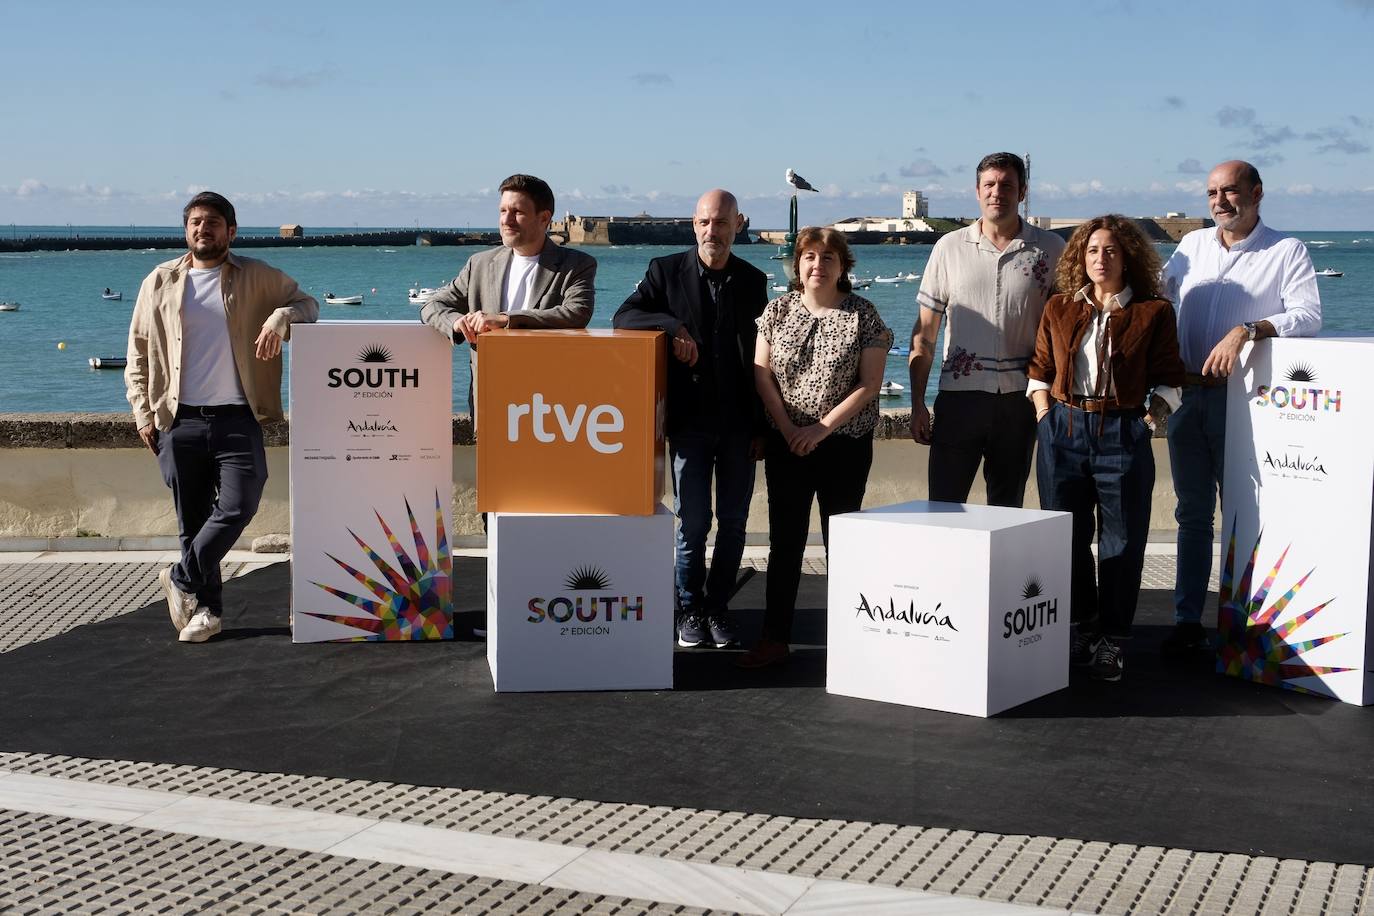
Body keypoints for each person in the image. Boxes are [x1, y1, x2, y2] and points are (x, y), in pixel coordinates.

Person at [125, 191, 318, 643]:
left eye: (212, 222)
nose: (202, 229)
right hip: (178, 419)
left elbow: (309, 305)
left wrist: (280, 318)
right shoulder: (160, 281)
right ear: (185, 229)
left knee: (240, 503)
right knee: (192, 521)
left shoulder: (258, 276)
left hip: (238, 418)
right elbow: (136, 352)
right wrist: (142, 415)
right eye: (194, 222)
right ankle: (207, 613)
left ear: (231, 231)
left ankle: (180, 577)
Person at [1160, 160, 1321, 658]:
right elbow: (1158, 301)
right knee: (1191, 516)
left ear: (1256, 193)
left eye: (1230, 191)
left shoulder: (1286, 250)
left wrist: (1248, 329)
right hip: (1186, 399)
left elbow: (1308, 314)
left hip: (1243, 405)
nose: (1219, 201)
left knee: (1242, 513)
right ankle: (1188, 621)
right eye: (1212, 193)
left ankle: (1245, 622)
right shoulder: (1191, 247)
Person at [1027, 215, 1185, 681]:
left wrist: (1147, 423)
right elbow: (1038, 367)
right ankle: (1082, 625)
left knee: (1121, 542)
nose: (1101, 258)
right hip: (1063, 429)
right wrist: (1044, 415)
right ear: (1081, 256)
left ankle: (1113, 639)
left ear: (1128, 257)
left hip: (1122, 432)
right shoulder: (1059, 307)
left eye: (1111, 250)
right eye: (1093, 250)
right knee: (1065, 538)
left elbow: (1172, 380)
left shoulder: (1153, 311)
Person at [613, 190, 768, 649]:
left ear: (738, 224)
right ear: (693, 225)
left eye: (721, 223)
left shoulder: (754, 280)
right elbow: (624, 316)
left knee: (735, 523)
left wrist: (762, 427)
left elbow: (762, 360)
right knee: (694, 523)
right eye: (704, 223)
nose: (711, 231)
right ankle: (689, 608)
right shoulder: (665, 270)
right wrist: (673, 327)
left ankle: (718, 607)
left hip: (741, 424)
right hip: (690, 424)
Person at [743, 227, 891, 668]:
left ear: (843, 265)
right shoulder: (777, 311)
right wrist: (789, 429)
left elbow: (870, 384)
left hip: (843, 445)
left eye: (828, 257)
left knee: (841, 542)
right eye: (809, 256)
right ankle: (774, 638)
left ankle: (852, 640)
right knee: (784, 543)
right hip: (787, 442)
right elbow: (761, 374)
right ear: (797, 264)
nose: (817, 265)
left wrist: (820, 430)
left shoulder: (863, 315)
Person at [908, 152, 1066, 507]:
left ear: (1022, 191)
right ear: (977, 191)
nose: (998, 192)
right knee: (944, 507)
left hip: (1020, 400)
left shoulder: (1052, 249)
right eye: (990, 185)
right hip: (959, 399)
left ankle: (1002, 567)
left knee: (1007, 509)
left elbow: (1066, 332)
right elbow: (924, 336)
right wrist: (918, 403)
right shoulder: (948, 248)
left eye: (1007, 185)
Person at [420, 174, 596, 413]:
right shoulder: (479, 264)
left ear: (544, 218)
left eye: (517, 212)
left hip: (549, 404)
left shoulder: (577, 264)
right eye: (502, 211)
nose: (506, 220)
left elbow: (577, 313)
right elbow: (433, 305)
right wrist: (457, 323)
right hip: (489, 398)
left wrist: (506, 319)